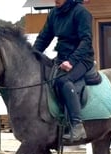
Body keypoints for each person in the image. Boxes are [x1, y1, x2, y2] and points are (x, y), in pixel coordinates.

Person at [33, 0, 94, 141]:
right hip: (62, 57)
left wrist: (71, 61)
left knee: (63, 80)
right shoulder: (54, 13)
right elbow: (44, 38)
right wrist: (31, 54)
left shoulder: (81, 12)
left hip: (82, 59)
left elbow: (86, 41)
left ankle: (77, 126)